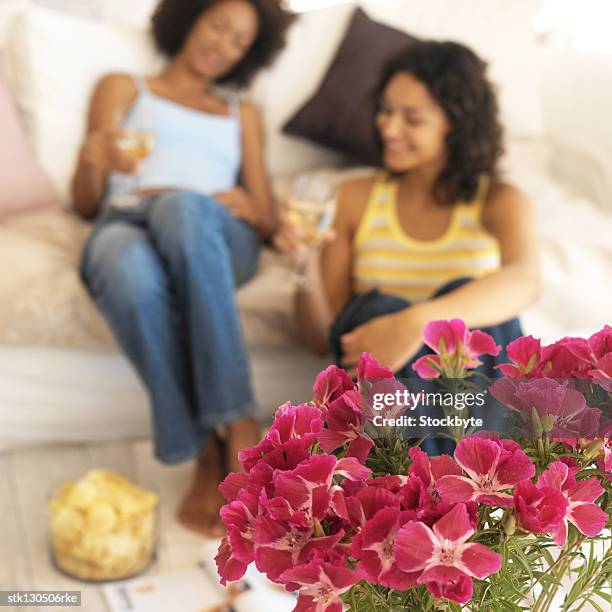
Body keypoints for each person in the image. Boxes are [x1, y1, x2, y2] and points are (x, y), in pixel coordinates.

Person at [74, 0, 293, 537]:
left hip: (210, 227)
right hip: (127, 220)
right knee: (122, 266)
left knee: (183, 206)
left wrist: (249, 206)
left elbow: (266, 217)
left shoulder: (242, 112)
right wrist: (92, 157)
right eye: (217, 25)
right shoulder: (124, 87)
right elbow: (86, 204)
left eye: (239, 41)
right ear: (188, 17)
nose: (223, 45)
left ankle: (235, 419)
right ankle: (205, 448)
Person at [275, 40, 540, 432]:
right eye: (385, 111)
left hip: (468, 405)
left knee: (475, 304)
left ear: (457, 125)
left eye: (411, 119)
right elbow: (323, 338)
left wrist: (415, 324)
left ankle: (447, 476)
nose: (389, 128)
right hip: (390, 404)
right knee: (375, 309)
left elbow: (525, 281)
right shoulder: (354, 197)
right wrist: (304, 266)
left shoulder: (500, 201)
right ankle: (440, 483)